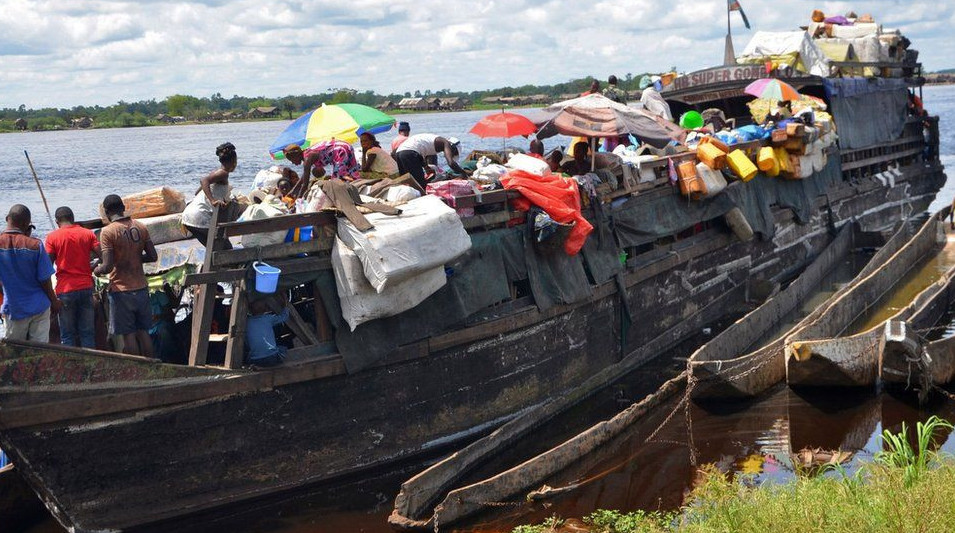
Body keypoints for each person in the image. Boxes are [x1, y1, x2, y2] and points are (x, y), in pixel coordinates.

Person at [94, 194, 158, 357]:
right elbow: (153, 256)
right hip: (141, 288)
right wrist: (135, 257)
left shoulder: (107, 232)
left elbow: (107, 267)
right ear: (123, 208)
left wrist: (96, 269)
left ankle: (138, 371)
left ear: (107, 212)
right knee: (144, 333)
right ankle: (152, 366)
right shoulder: (141, 227)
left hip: (121, 291)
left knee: (128, 335)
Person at [0, 205, 59, 342]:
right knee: (39, 352)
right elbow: (45, 279)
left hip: (14, 308)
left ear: (7, 219)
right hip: (39, 307)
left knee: (14, 352)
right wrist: (54, 301)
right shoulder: (35, 245)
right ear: (27, 224)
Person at [44, 206, 101, 348]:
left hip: (65, 290)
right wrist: (91, 268)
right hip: (86, 287)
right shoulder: (87, 234)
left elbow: (46, 267)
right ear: (73, 219)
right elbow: (104, 256)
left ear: (57, 221)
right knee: (87, 333)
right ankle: (90, 367)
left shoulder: (52, 237)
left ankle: (70, 368)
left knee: (67, 335)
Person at [182, 142, 244, 248]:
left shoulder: (216, 173)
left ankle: (210, 264)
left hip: (188, 217)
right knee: (225, 248)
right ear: (234, 162)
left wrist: (216, 197)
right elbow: (204, 180)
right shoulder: (223, 173)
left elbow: (198, 191)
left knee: (213, 249)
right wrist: (212, 200)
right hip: (199, 217)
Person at [283, 140, 360, 197]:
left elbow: (305, 184)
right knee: (349, 172)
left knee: (337, 181)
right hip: (343, 146)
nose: (293, 163)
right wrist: (292, 191)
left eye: (292, 160)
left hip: (340, 150)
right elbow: (303, 177)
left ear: (296, 155)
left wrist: (298, 200)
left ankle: (350, 194)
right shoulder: (306, 154)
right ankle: (356, 188)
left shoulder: (307, 159)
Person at [395, 134, 470, 189]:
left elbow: (421, 154)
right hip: (409, 153)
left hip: (399, 153)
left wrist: (426, 167)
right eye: (453, 152)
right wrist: (463, 173)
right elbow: (451, 163)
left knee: (407, 184)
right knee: (420, 186)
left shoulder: (433, 142)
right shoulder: (445, 143)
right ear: (452, 147)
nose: (451, 153)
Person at [246, 294, 290, 367]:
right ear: (266, 308)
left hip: (255, 360)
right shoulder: (268, 318)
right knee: (283, 349)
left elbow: (247, 342)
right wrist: (286, 305)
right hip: (272, 358)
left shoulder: (247, 322)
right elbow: (284, 317)